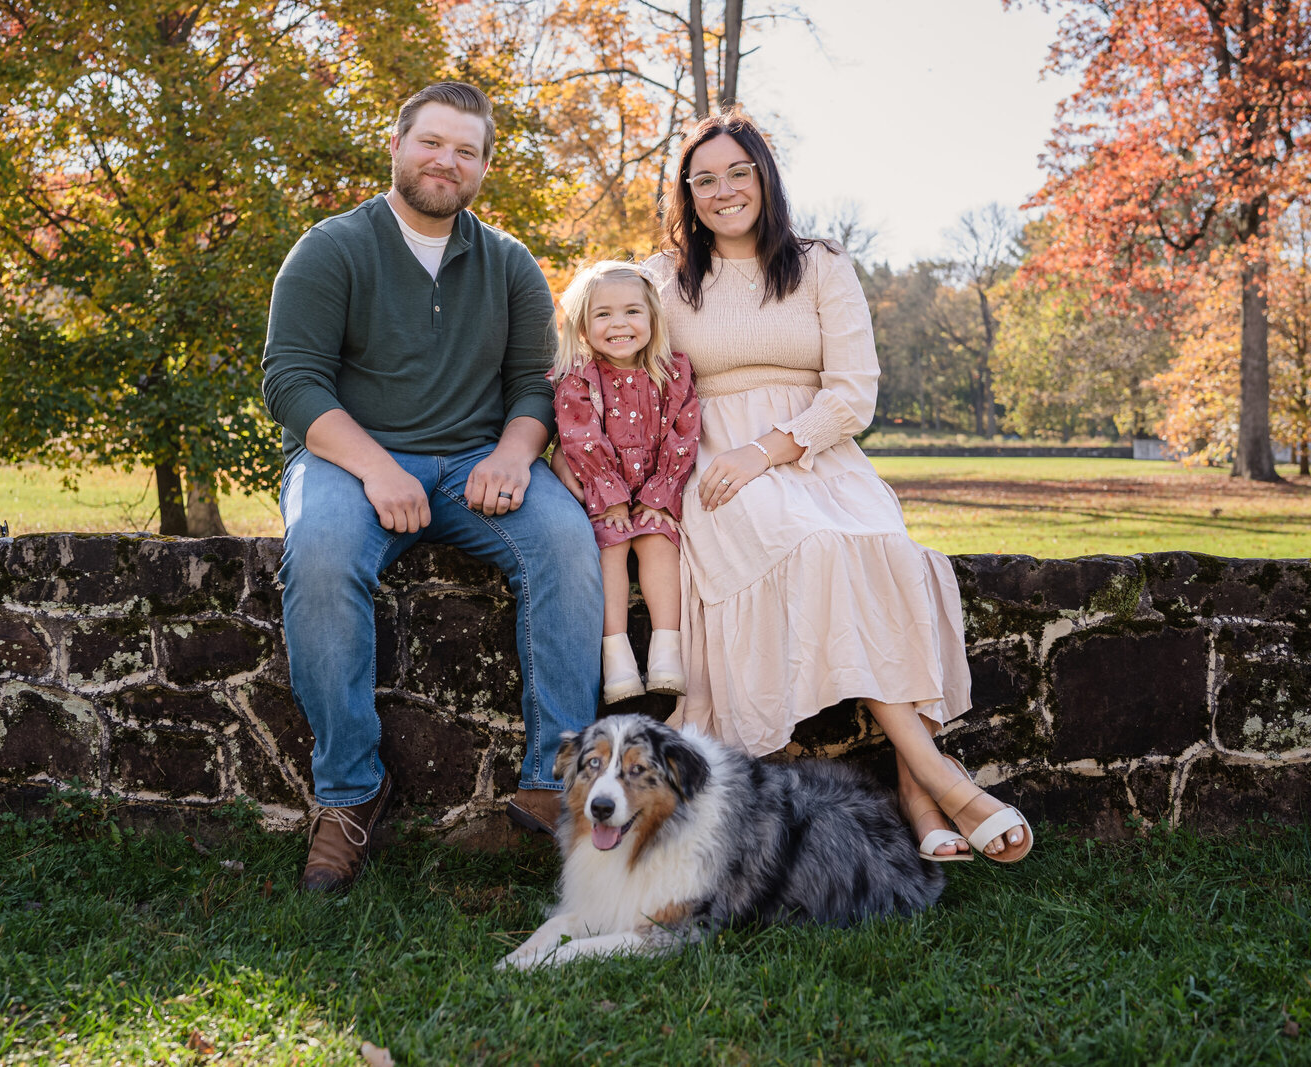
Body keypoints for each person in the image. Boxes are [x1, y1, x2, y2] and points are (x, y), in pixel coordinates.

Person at [555, 110, 1032, 863]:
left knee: (891, 558)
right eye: (703, 179)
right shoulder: (661, 277)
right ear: (687, 192)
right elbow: (602, 349)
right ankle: (944, 780)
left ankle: (917, 788)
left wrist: (768, 449)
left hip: (816, 451)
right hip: (711, 458)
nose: (723, 190)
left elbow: (853, 393)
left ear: (765, 177)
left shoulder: (820, 262)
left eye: (738, 172)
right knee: (815, 548)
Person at [262, 82, 603, 892]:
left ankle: (557, 780)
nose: (447, 161)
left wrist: (517, 454)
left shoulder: (511, 263)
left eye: (467, 150)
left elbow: (534, 384)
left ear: (484, 166)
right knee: (321, 551)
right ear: (396, 144)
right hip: (350, 460)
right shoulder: (332, 248)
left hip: (477, 465)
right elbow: (292, 382)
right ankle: (350, 794)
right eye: (432, 143)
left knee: (565, 539)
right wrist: (377, 467)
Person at [551, 262, 700, 704]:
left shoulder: (673, 373)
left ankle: (666, 651)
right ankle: (615, 655)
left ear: (653, 319)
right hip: (603, 496)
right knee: (609, 549)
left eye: (632, 311)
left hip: (657, 490)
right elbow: (580, 439)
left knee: (659, 544)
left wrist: (660, 496)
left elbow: (684, 433)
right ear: (581, 324)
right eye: (603, 315)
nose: (619, 324)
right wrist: (611, 499)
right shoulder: (579, 378)